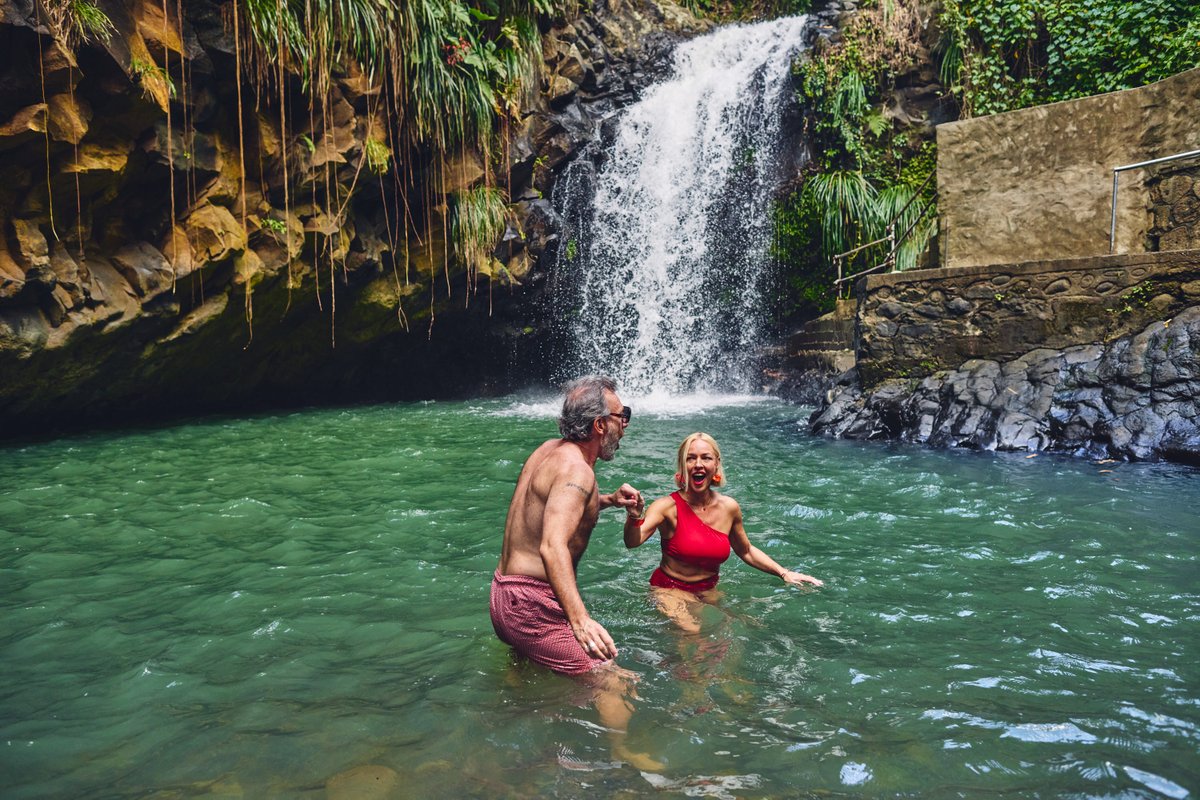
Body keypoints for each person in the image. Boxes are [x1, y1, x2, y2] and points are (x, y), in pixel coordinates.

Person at [490, 375, 660, 770]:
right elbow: (552, 545)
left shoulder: (548, 452)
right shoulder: (577, 473)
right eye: (623, 415)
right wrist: (580, 620)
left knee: (534, 678)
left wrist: (610, 501)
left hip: (503, 595)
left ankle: (520, 741)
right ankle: (624, 758)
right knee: (615, 679)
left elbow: (558, 506)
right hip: (530, 605)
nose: (626, 424)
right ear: (601, 424)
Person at [624, 432, 822, 633]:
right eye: (690, 458)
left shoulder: (729, 508)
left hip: (708, 590)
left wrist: (784, 573)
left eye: (706, 458)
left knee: (737, 627)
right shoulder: (667, 507)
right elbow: (633, 541)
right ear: (682, 466)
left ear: (716, 464)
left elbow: (745, 550)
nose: (698, 464)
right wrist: (633, 516)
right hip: (669, 590)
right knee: (693, 632)